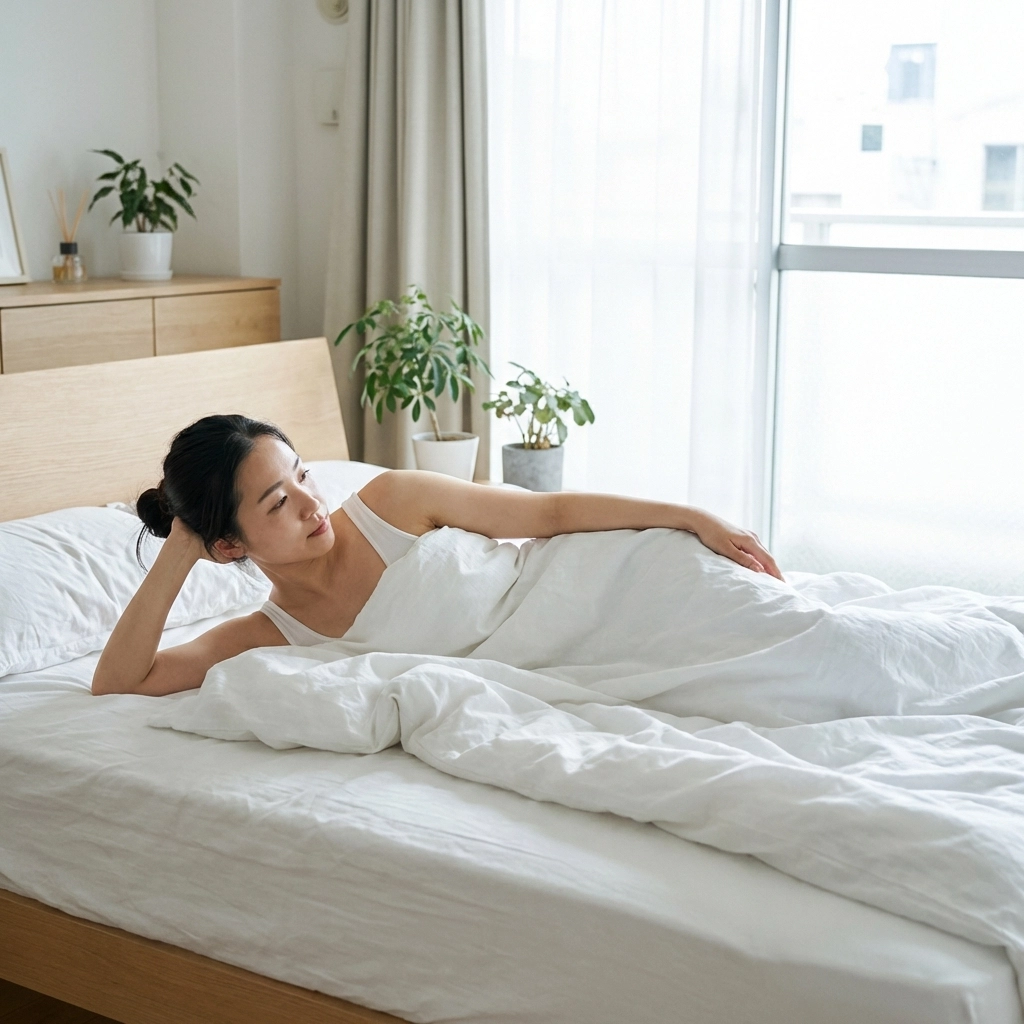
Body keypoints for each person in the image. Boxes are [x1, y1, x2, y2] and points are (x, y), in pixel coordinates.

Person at [92, 415, 782, 697]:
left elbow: (550, 514)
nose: (311, 503)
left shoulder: (390, 501)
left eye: (303, 475)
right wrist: (181, 550)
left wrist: (694, 518)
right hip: (586, 666)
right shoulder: (271, 634)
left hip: (610, 585)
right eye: (277, 503)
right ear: (229, 546)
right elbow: (119, 683)